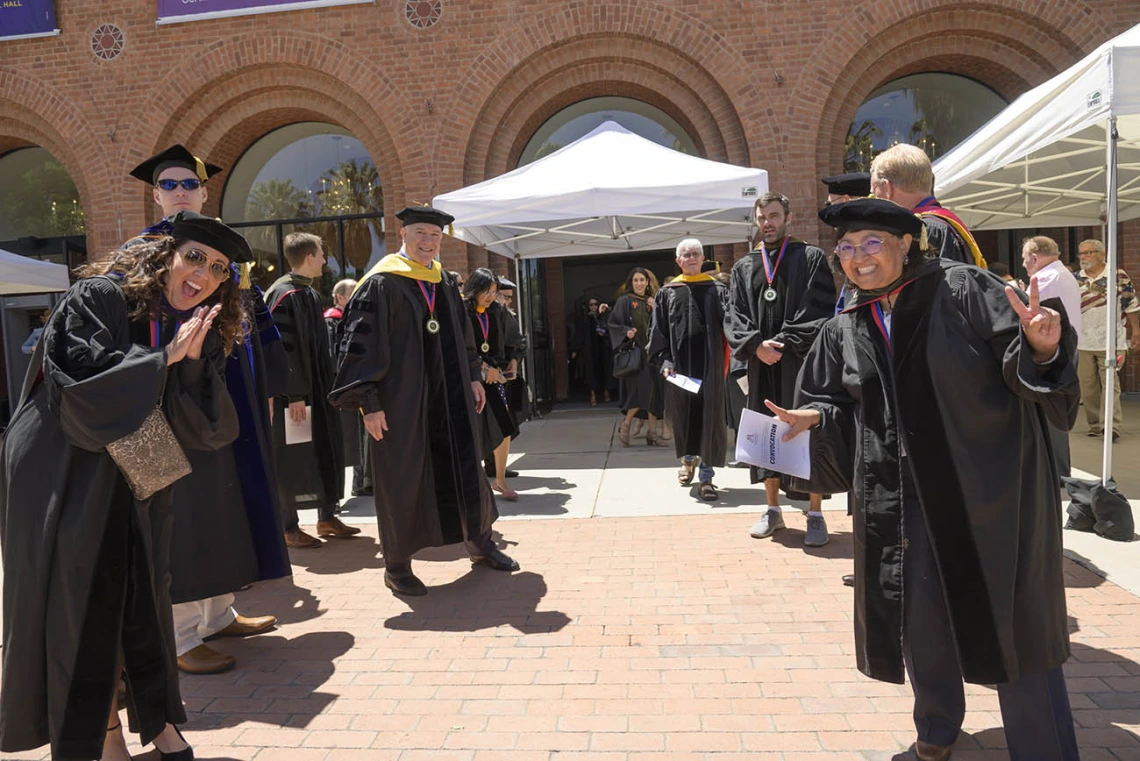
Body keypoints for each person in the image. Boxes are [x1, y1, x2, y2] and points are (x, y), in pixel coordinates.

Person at [770, 198, 1080, 761]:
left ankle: (1044, 748)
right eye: (846, 247)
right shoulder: (849, 322)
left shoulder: (963, 290)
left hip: (987, 493)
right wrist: (816, 418)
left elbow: (1027, 362)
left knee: (1013, 621)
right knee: (918, 615)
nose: (858, 258)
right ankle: (936, 729)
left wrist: (1043, 347)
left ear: (906, 243)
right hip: (900, 497)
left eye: (871, 244)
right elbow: (839, 400)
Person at [0, 212, 250, 761]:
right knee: (83, 600)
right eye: (194, 257)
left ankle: (158, 723)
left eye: (219, 269)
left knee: (142, 592)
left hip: (136, 464)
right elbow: (81, 382)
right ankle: (102, 737)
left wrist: (187, 361)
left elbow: (204, 423)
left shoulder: (183, 321)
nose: (204, 274)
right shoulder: (99, 295)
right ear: (164, 254)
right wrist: (165, 358)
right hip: (64, 465)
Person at [127, 146, 288, 677]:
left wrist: (267, 388)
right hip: (161, 408)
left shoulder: (221, 250)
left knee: (223, 506)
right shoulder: (140, 253)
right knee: (182, 515)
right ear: (155, 194)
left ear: (202, 192)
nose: (178, 192)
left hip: (220, 399)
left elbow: (253, 320)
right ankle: (177, 635)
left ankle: (218, 614)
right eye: (168, 185)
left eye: (187, 185)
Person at [329, 205, 519, 597]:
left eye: (434, 236)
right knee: (403, 477)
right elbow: (357, 347)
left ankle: (480, 543)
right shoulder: (380, 283)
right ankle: (397, 566)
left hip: (452, 399)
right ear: (403, 235)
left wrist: (472, 376)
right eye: (420, 233)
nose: (428, 242)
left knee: (466, 467)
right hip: (402, 401)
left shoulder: (445, 281)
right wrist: (369, 402)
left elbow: (464, 335)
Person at [726, 191, 834, 547]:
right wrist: (756, 344)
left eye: (773, 216)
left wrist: (782, 343)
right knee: (765, 431)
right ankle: (772, 510)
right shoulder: (744, 267)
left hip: (801, 364)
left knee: (806, 433)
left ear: (787, 217)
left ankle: (815, 514)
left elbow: (817, 310)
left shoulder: (811, 258)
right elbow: (735, 315)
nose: (767, 224)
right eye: (761, 218)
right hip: (761, 366)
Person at [267, 233, 357, 548]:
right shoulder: (284, 295)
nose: (323, 260)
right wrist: (293, 395)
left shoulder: (305, 292)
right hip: (297, 397)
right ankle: (289, 527)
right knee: (294, 457)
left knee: (324, 449)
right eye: (320, 254)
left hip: (317, 391)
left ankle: (326, 518)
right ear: (308, 257)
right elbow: (281, 350)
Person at [649, 239, 729, 501]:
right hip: (679, 371)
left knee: (708, 419)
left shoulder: (717, 289)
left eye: (696, 254)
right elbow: (658, 331)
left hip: (711, 367)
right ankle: (687, 461)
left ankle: (706, 478)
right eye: (686, 255)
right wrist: (665, 361)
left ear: (703, 257)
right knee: (683, 419)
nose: (691, 258)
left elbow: (732, 327)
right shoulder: (667, 292)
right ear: (678, 261)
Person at [1022, 236, 1083, 481]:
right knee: (1057, 412)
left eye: (1026, 260)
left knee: (1051, 413)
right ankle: (1058, 470)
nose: (1025, 266)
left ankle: (1054, 472)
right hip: (1065, 347)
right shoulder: (1064, 274)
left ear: (1035, 258)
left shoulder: (1044, 279)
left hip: (1053, 352)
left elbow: (1026, 313)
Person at [870, 143, 986, 268]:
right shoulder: (944, 224)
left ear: (887, 188)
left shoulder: (924, 231)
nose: (874, 197)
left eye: (874, 189)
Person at [463, 269, 522, 500]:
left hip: (496, 377)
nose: (490, 297)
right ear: (474, 289)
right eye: (486, 292)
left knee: (503, 427)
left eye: (494, 292)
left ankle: (500, 479)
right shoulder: (462, 313)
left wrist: (514, 362)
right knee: (474, 429)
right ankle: (474, 482)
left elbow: (514, 341)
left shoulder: (498, 312)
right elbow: (459, 348)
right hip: (470, 377)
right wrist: (482, 369)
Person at [1076, 238, 1140, 442]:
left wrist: (1136, 332)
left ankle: (1111, 426)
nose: (1083, 257)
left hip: (1113, 341)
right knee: (1088, 388)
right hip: (1083, 341)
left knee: (1111, 384)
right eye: (1081, 253)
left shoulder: (1117, 275)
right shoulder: (1075, 278)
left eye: (1088, 253)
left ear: (1102, 254)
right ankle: (1095, 424)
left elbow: (1130, 305)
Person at [608, 267, 667, 446]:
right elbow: (613, 323)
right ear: (630, 283)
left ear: (648, 282)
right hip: (636, 355)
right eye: (636, 280)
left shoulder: (653, 301)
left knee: (654, 393)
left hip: (653, 355)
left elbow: (664, 324)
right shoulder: (624, 301)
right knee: (639, 392)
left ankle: (652, 433)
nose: (639, 284)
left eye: (642, 280)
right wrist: (626, 332)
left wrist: (656, 307)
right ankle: (626, 425)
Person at [326, 278, 373, 498]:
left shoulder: (352, 319)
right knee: (345, 439)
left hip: (354, 384)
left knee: (359, 434)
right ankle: (335, 499)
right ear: (339, 297)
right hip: (340, 386)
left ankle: (362, 483)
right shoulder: (331, 320)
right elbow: (333, 356)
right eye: (353, 292)